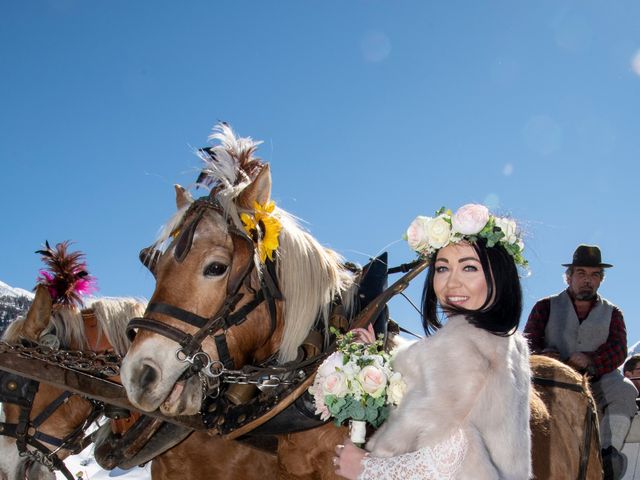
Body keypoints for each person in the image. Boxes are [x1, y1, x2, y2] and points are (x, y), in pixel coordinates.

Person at [334, 204, 532, 480]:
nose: (452, 283)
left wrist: (366, 468)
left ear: (497, 276)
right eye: (442, 269)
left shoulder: (458, 343)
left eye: (469, 268)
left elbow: (455, 453)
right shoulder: (509, 343)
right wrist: (375, 361)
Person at [524, 244, 637, 480]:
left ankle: (609, 454)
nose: (588, 280)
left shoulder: (613, 312)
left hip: (598, 380)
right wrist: (544, 355)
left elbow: (617, 350)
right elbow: (527, 341)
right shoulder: (545, 306)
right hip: (551, 380)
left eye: (595, 275)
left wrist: (591, 361)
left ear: (600, 281)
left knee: (625, 389)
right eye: (581, 273)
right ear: (569, 277)